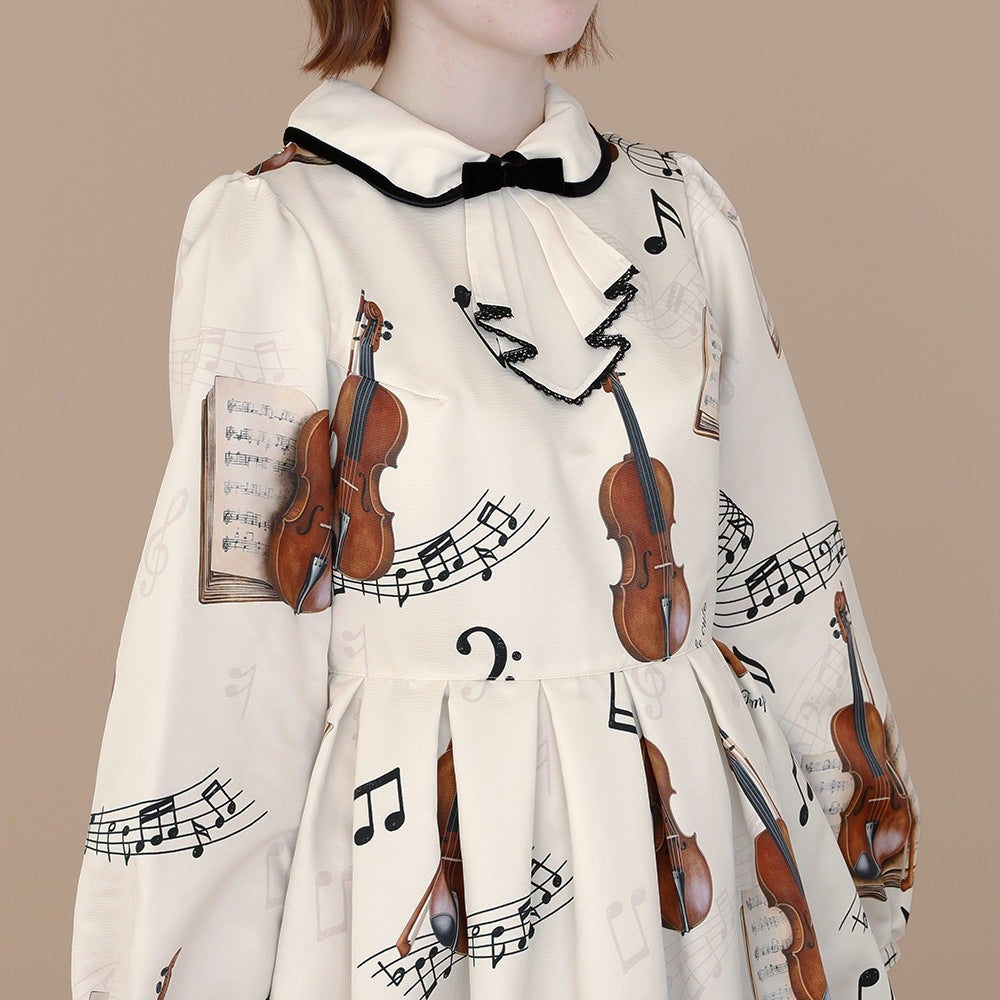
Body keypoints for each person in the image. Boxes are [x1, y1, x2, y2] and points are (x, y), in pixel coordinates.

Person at [70, 2, 921, 998]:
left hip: (680, 893)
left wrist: (860, 901)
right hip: (425, 899)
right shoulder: (282, 234)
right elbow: (224, 679)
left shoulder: (680, 213)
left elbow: (792, 594)